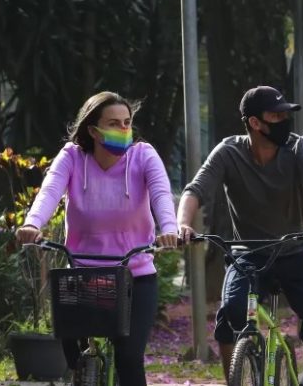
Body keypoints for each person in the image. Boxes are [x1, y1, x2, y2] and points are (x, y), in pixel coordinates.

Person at [14, 91, 179, 386]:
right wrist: (32, 224)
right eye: (114, 123)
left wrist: (169, 228)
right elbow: (50, 191)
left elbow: (161, 193)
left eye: (127, 123)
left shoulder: (143, 155)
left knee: (129, 358)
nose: (124, 130)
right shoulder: (72, 157)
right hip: (82, 276)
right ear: (93, 130)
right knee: (72, 351)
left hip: (135, 275)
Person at [176, 86, 303, 386]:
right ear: (255, 123)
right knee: (232, 314)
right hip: (248, 253)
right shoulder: (229, 151)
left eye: (285, 115)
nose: (283, 120)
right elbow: (195, 190)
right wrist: (183, 224)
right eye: (275, 115)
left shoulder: (298, 147)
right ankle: (233, 380)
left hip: (298, 249)